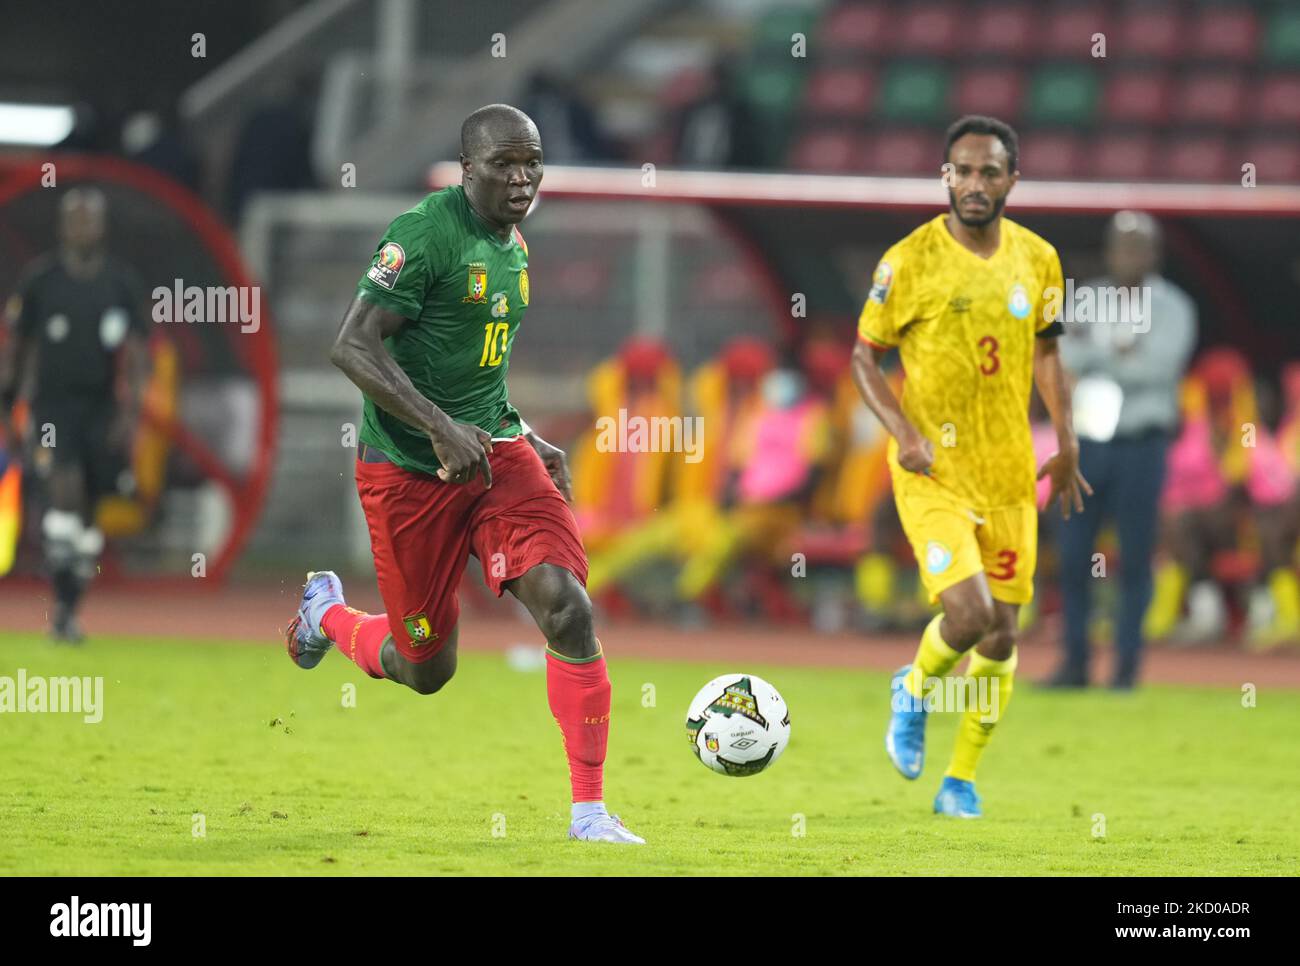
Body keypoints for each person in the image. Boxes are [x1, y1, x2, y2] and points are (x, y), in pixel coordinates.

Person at [282, 104, 643, 844]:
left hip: (495, 459)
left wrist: (525, 433)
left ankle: (589, 813)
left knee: (569, 606)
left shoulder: (514, 247)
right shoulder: (422, 235)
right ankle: (327, 615)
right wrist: (439, 428)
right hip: (409, 472)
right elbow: (350, 346)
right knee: (424, 668)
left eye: (532, 162)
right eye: (505, 164)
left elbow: (476, 373)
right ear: (467, 167)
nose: (522, 178)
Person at [852, 115, 1089, 818]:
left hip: (1011, 469)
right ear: (945, 176)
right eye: (962, 170)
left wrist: (1067, 440)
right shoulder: (908, 261)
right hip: (933, 471)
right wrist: (902, 432)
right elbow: (864, 357)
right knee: (971, 611)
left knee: (1005, 634)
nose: (975, 183)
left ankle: (960, 780)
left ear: (1012, 180)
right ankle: (915, 688)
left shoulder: (1039, 259)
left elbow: (1047, 352)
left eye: (990, 171)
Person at [1047, 212, 1197, 688]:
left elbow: (1159, 367)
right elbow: (1066, 358)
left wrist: (1101, 358)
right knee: (1073, 555)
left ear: (1154, 255)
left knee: (1134, 557)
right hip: (1089, 442)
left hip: (1141, 445)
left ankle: (1125, 669)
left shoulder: (1172, 305)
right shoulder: (1088, 297)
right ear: (1109, 251)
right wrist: (1121, 353)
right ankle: (1075, 662)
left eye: (1139, 247)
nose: (1128, 255)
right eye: (1121, 246)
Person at [0, 188, 149, 641]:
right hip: (52, 407)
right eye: (75, 219)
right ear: (63, 226)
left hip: (101, 408)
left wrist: (132, 411)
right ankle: (62, 604)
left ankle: (66, 609)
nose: (83, 227)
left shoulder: (121, 283)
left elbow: (139, 354)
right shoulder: (41, 281)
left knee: (87, 514)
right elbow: (19, 349)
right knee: (64, 488)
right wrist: (8, 406)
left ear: (102, 226)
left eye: (91, 219)